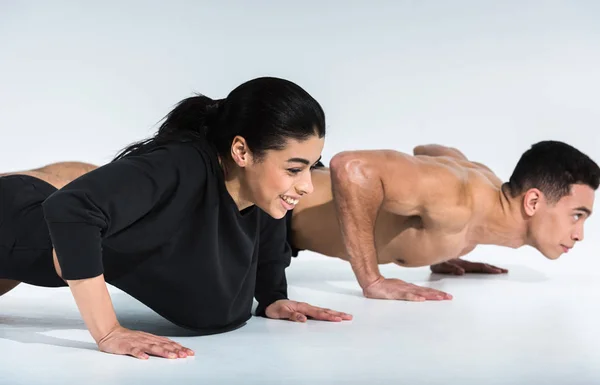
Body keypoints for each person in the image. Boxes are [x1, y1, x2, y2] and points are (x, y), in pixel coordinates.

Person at [0, 77, 352, 360]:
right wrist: (108, 331)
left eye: (311, 167)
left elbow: (269, 225)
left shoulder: (256, 191)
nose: (306, 186)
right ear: (241, 151)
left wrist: (273, 296)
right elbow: (72, 210)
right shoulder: (181, 164)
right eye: (294, 169)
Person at [285, 141, 599, 301]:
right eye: (577, 216)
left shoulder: (480, 194)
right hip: (273, 215)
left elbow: (428, 150)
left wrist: (443, 250)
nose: (580, 234)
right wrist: (372, 280)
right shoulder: (457, 198)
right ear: (533, 201)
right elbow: (350, 168)